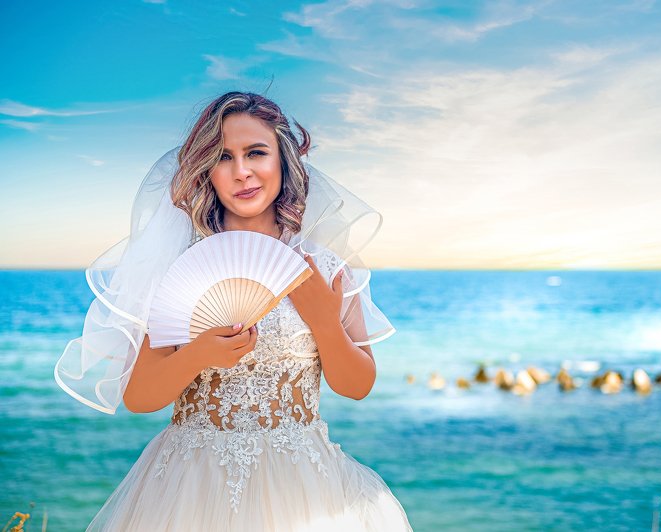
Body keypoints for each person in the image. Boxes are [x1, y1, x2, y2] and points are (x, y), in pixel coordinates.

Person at [54, 91, 413, 531]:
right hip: (190, 486)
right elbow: (140, 397)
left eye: (256, 152)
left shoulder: (323, 268)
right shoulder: (179, 267)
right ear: (206, 169)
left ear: (283, 160)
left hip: (303, 483)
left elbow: (357, 386)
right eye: (224, 157)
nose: (242, 171)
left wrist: (324, 322)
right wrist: (197, 355)